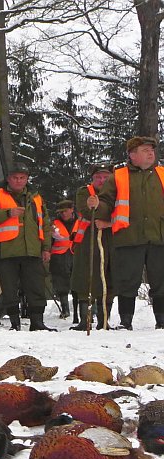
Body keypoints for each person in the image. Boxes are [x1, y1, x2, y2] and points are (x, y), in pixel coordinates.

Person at [93, 136, 164, 330]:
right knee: (127, 281)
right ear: (132, 155)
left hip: (159, 237)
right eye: (145, 150)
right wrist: (98, 206)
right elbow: (106, 202)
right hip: (128, 237)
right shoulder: (118, 176)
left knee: (161, 280)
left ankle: (162, 321)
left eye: (152, 150)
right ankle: (126, 322)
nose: (150, 153)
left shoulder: (162, 174)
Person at [0, 164, 53, 331]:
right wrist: (7, 213)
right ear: (8, 179)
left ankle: (37, 323)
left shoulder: (36, 198)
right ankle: (15, 323)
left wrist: (46, 248)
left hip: (32, 251)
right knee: (9, 290)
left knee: (36, 288)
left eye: (22, 178)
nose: (18, 181)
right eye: (15, 178)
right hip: (6, 251)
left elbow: (45, 224)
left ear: (27, 179)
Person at [70, 163, 114, 330]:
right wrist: (97, 209)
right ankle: (85, 320)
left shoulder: (117, 192)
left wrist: (108, 222)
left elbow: (122, 212)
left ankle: (104, 320)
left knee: (108, 277)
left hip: (111, 239)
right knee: (85, 278)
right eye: (98, 177)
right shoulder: (84, 192)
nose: (102, 180)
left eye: (105, 177)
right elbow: (88, 212)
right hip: (87, 240)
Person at [48, 199, 75, 320]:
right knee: (60, 284)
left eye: (65, 211)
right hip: (59, 257)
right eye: (61, 212)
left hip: (76, 255)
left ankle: (85, 310)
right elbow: (48, 242)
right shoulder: (53, 224)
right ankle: (65, 309)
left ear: (72, 209)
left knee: (79, 283)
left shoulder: (80, 222)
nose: (63, 214)